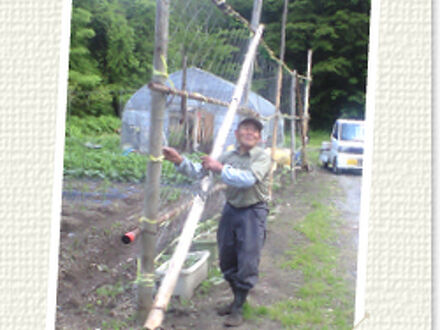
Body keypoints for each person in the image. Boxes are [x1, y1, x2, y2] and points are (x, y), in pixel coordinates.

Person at [162, 117, 271, 327]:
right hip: (231, 209)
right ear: (237, 133)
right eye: (245, 128)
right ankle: (235, 299)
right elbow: (202, 172)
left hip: (253, 210)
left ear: (259, 136)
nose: (249, 132)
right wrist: (179, 160)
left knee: (247, 259)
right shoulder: (228, 156)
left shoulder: (261, 157)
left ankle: (238, 307)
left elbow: (247, 179)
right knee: (227, 258)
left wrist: (219, 168)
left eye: (254, 130)